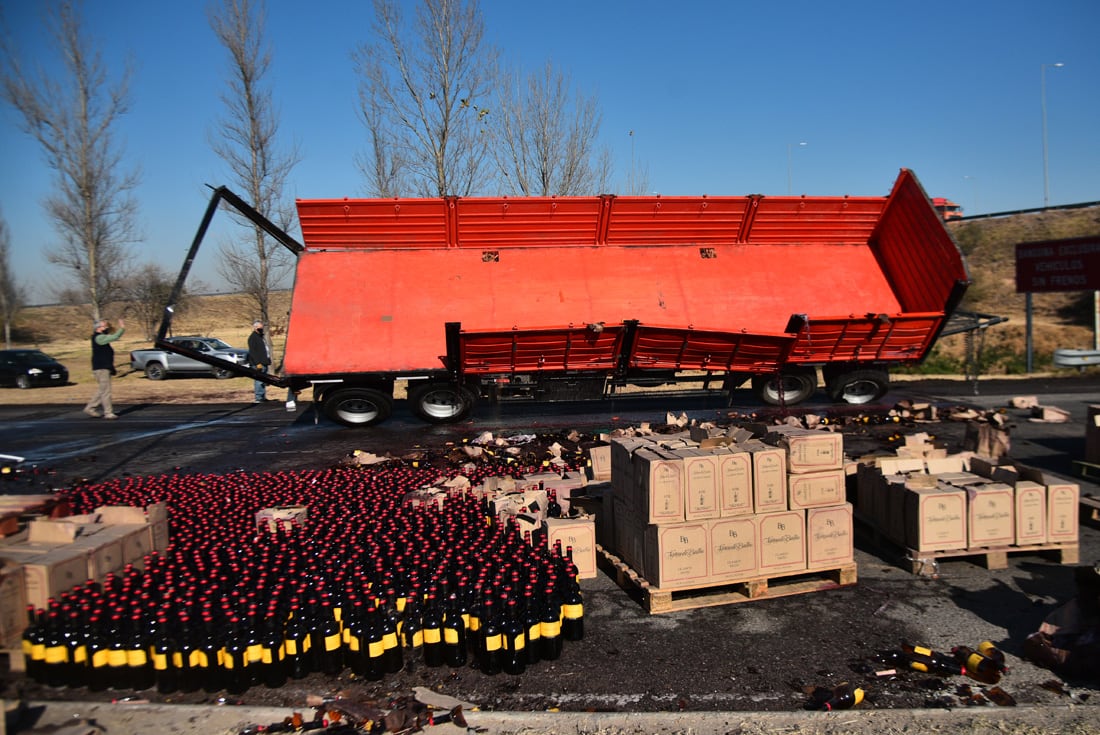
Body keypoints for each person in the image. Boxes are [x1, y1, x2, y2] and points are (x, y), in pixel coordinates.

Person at [83, 318, 125, 419]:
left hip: (103, 367)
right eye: (104, 326)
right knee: (106, 391)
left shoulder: (100, 337)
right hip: (101, 368)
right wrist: (122, 328)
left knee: (102, 389)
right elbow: (115, 336)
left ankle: (90, 408)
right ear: (99, 328)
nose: (106, 328)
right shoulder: (99, 338)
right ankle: (108, 412)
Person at [247, 320, 271, 403]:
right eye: (260, 327)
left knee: (263, 380)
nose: (262, 329)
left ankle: (262, 396)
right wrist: (257, 363)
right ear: (255, 328)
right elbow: (253, 352)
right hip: (258, 363)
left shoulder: (260, 337)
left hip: (264, 362)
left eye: (262, 327)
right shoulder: (253, 338)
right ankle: (258, 397)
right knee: (259, 380)